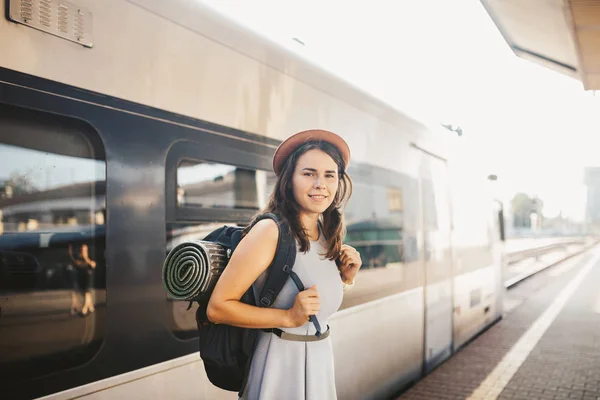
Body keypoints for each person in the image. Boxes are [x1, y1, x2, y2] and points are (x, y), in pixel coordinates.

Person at [207, 129, 362, 400]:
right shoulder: (270, 231)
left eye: (329, 175)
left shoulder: (325, 234)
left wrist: (344, 278)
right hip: (278, 371)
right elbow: (218, 308)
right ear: (289, 180)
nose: (320, 184)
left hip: (318, 363)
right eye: (308, 173)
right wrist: (287, 317)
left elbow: (313, 308)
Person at [68, 243, 97, 316]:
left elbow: (93, 265)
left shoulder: (90, 257)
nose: (82, 251)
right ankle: (91, 308)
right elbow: (75, 263)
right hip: (82, 278)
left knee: (87, 293)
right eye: (81, 249)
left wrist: (86, 258)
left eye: (84, 249)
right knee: (86, 294)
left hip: (89, 278)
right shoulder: (79, 259)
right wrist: (70, 253)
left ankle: (84, 309)